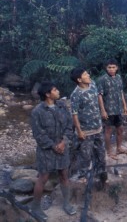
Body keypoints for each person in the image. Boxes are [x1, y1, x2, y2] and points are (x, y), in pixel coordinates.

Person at [30, 81, 76, 220]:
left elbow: (70, 125)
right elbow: (38, 134)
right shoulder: (37, 112)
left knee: (64, 175)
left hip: (63, 148)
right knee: (43, 178)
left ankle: (66, 203)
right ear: (47, 94)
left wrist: (64, 142)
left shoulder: (62, 106)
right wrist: (54, 146)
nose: (58, 91)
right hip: (46, 151)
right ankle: (36, 207)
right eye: (55, 90)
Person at [70, 67, 107, 184]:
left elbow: (98, 97)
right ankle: (82, 175)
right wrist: (79, 131)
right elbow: (74, 115)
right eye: (86, 74)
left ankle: (100, 172)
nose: (89, 75)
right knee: (85, 155)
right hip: (86, 131)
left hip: (98, 127)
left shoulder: (93, 84)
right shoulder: (75, 95)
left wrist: (103, 110)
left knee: (100, 152)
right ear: (79, 79)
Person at [97, 58, 127, 160]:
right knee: (108, 131)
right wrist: (102, 110)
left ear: (117, 68)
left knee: (120, 129)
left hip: (118, 109)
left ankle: (119, 148)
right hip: (108, 110)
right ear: (106, 68)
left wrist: (124, 105)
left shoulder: (119, 78)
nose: (111, 69)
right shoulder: (102, 79)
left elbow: (121, 92)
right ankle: (109, 151)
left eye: (113, 67)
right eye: (109, 67)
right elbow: (100, 95)